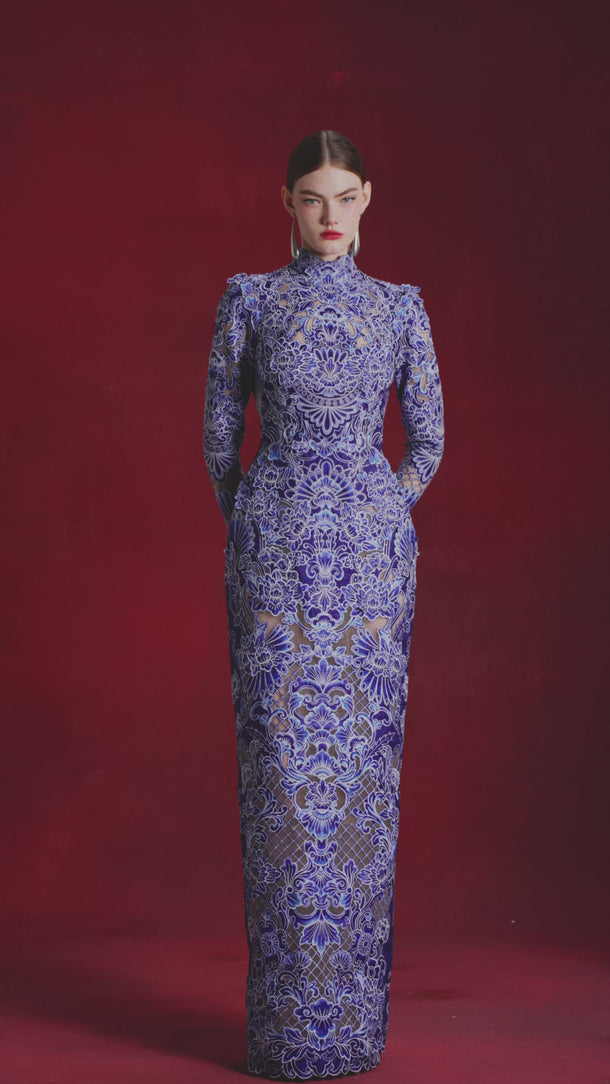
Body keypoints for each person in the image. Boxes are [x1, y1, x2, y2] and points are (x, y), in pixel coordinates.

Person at [203, 130, 444, 1080]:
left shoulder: (399, 307)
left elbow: (428, 440)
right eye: (313, 197)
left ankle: (349, 1028)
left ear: (368, 198)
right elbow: (219, 436)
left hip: (374, 571)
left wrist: (380, 509)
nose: (330, 214)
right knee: (279, 784)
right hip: (273, 558)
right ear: (288, 204)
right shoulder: (251, 300)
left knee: (362, 785)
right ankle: (285, 1033)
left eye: (345, 196)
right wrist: (258, 518)